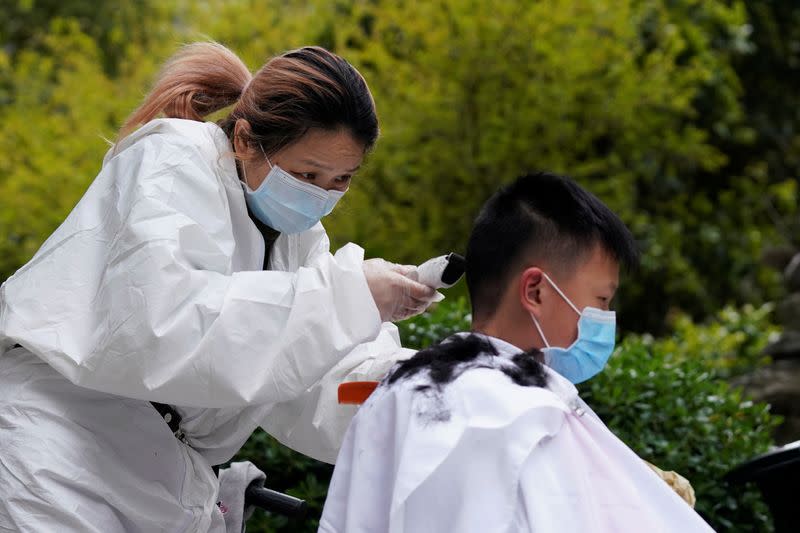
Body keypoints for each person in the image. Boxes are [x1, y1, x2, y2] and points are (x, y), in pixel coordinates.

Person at [0, 43, 437, 532]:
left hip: (156, 473)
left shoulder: (301, 242)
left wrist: (428, 388)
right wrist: (350, 298)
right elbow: (164, 328)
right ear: (247, 139)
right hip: (59, 451)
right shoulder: (171, 161)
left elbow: (312, 374)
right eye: (306, 174)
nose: (320, 195)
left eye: (341, 181)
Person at [320, 172, 714, 532]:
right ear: (535, 292)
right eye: (601, 299)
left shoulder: (407, 393)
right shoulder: (504, 418)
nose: (605, 318)